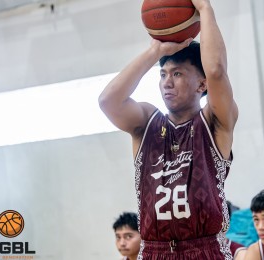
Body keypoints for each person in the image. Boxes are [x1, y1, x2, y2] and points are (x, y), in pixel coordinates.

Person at [99, 0, 238, 258]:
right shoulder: (147, 122)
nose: (167, 83)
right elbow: (108, 101)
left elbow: (216, 71)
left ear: (201, 85)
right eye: (163, 75)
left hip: (204, 248)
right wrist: (154, 51)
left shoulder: (214, 121)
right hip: (154, 249)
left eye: (177, 74)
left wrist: (205, 9)